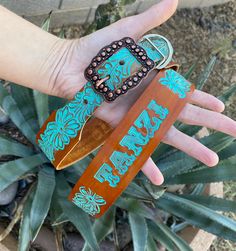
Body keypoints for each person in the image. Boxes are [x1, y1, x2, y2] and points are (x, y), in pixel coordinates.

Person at [0, 0, 235, 185]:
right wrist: (62, 63)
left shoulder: (131, 63)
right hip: (93, 84)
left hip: (94, 84)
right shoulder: (126, 61)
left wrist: (61, 62)